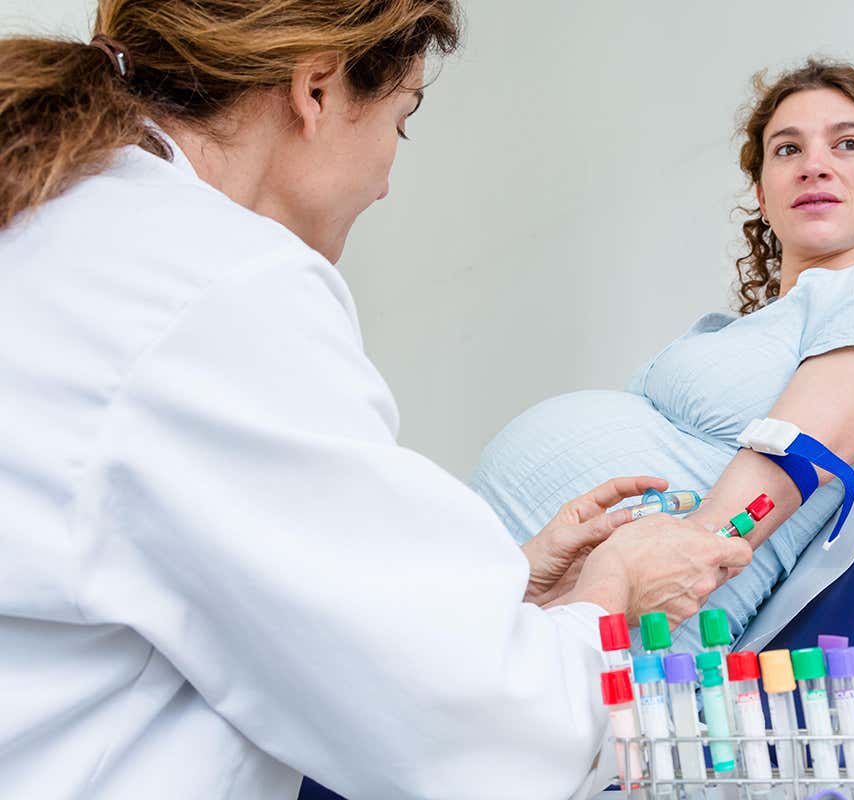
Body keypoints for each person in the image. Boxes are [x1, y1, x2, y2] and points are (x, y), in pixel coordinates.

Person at [0, 1, 752, 797]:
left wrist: (491, 594)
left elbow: (212, 565)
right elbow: (483, 741)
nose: (389, 181)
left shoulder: (70, 219)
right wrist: (614, 591)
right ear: (317, 91)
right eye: (404, 120)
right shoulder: (211, 286)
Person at [472, 59, 854, 652]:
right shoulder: (744, 329)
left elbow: (796, 454)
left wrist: (653, 569)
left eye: (847, 144)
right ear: (762, 195)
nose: (814, 165)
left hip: (635, 619)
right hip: (535, 597)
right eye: (787, 150)